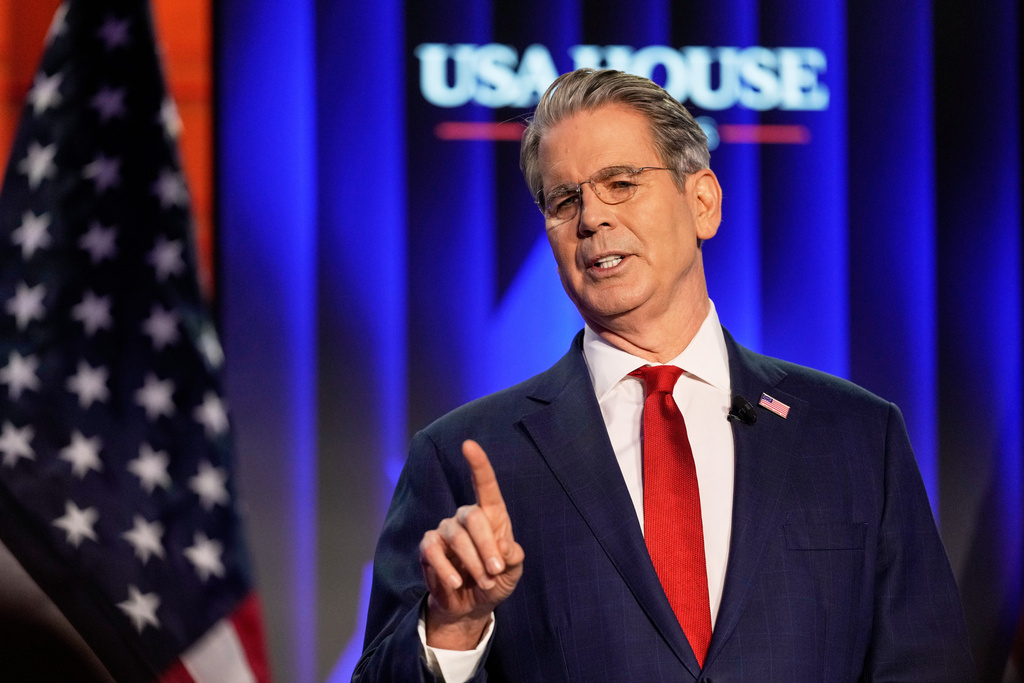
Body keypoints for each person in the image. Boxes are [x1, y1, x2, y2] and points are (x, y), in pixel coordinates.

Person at [353, 68, 975, 682]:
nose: (591, 218)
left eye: (619, 183)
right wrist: (453, 633)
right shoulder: (464, 456)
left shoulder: (858, 434)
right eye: (564, 200)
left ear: (702, 201)